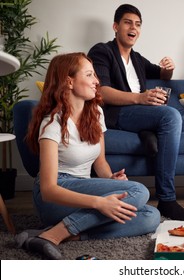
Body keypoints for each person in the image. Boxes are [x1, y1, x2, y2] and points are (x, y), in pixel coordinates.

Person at [15, 52, 160, 259]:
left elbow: (100, 163)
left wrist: (111, 181)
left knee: (150, 216)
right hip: (55, 198)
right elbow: (48, 190)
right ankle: (54, 235)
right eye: (90, 75)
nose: (97, 81)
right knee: (139, 191)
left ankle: (60, 234)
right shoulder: (52, 123)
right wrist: (99, 203)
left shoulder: (96, 114)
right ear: (69, 81)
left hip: (84, 189)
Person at [87, 4, 184, 221]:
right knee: (171, 115)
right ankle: (167, 198)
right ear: (116, 26)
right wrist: (141, 97)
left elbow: (163, 75)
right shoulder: (102, 51)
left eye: (137, 24)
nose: (133, 28)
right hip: (118, 113)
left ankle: (151, 133)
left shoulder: (136, 59)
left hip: (141, 113)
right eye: (128, 22)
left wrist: (169, 68)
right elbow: (101, 92)